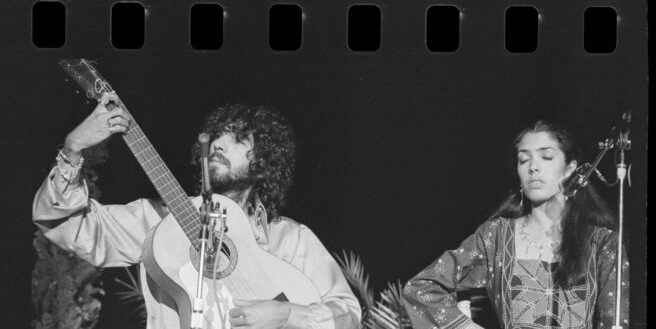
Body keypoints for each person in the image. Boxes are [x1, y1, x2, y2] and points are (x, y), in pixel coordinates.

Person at [33, 93, 361, 329]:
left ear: (265, 161)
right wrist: (73, 149)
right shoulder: (161, 222)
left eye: (238, 139)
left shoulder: (291, 240)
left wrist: (288, 314)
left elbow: (348, 314)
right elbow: (65, 226)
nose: (219, 143)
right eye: (216, 135)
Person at [402, 120, 629, 329]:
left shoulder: (603, 244)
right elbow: (421, 289)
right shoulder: (495, 236)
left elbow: (614, 322)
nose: (533, 167)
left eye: (546, 157)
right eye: (524, 159)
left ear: (570, 169)